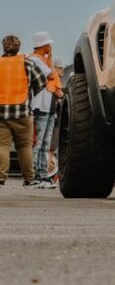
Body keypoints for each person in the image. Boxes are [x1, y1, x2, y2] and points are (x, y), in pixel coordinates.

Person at [0, 34, 49, 189]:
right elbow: (42, 82)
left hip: (1, 113)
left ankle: (0, 178)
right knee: (25, 147)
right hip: (23, 112)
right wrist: (30, 92)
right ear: (18, 47)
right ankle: (29, 179)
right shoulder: (27, 63)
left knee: (2, 145)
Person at [30, 32, 63, 188]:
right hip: (40, 105)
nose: (50, 47)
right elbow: (51, 75)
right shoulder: (35, 60)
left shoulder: (42, 60)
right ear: (42, 45)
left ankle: (43, 174)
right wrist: (51, 58)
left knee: (45, 143)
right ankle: (37, 174)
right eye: (48, 44)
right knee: (39, 142)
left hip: (49, 106)